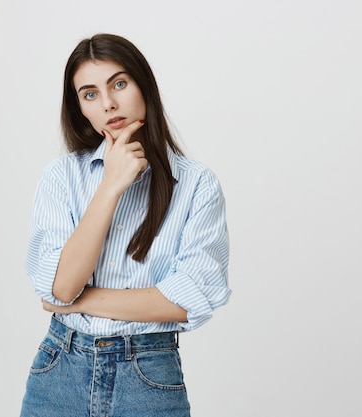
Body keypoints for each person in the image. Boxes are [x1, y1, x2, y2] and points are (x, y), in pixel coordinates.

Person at [20, 33, 231, 417]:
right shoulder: (61, 177)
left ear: (143, 85)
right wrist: (112, 185)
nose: (109, 103)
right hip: (59, 371)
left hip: (148, 375)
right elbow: (62, 284)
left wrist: (80, 301)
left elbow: (185, 301)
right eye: (90, 94)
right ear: (80, 109)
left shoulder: (198, 185)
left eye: (119, 83)